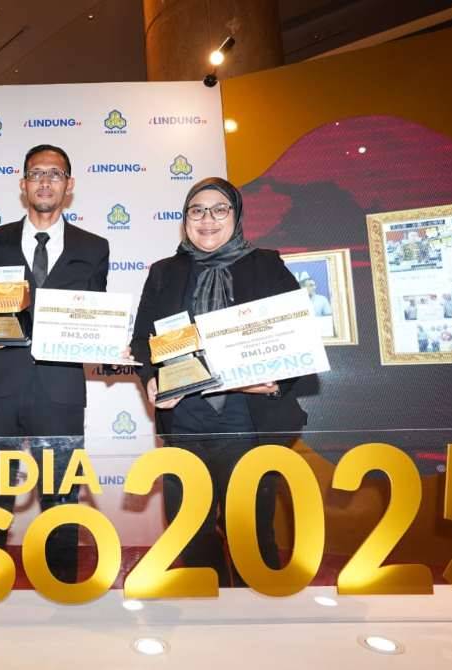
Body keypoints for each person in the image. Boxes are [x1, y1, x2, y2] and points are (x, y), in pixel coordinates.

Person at [130, 177, 309, 587]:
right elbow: (143, 339)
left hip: (247, 423)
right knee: (189, 534)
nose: (207, 219)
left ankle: (257, 625)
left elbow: (296, 333)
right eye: (197, 210)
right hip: (185, 423)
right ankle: (201, 622)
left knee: (251, 534)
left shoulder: (266, 264)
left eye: (219, 209)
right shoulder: (164, 272)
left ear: (236, 215)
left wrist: (278, 378)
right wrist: (151, 378)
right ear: (185, 220)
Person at [0, 144, 109, 586]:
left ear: (70, 185)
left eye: (56, 173)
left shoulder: (94, 246)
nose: (46, 181)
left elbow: (94, 314)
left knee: (62, 496)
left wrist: (106, 340)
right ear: (23, 184)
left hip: (60, 390)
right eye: (36, 173)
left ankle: (62, 585)